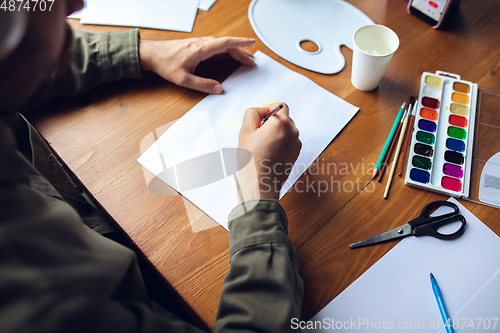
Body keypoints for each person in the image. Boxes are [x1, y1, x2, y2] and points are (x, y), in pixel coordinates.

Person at [0, 0, 303, 332]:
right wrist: (256, 193)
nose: (77, 4)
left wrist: (143, 53)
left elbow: (24, 54)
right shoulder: (38, 296)